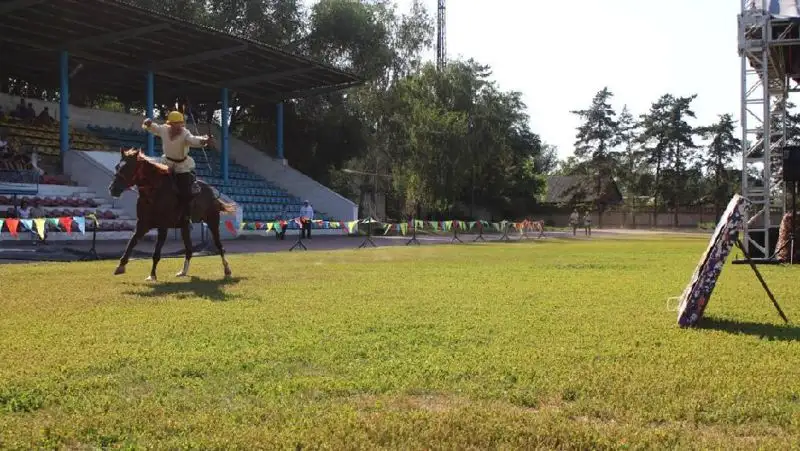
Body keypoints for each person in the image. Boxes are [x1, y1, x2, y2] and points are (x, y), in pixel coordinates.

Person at [142, 111, 212, 225]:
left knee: (185, 192)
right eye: (177, 123)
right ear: (170, 124)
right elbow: (154, 127)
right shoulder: (164, 129)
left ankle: (186, 215)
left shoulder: (185, 133)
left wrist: (204, 140)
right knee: (154, 182)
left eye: (180, 123)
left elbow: (193, 139)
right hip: (166, 163)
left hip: (182, 166)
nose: (180, 126)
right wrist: (148, 123)